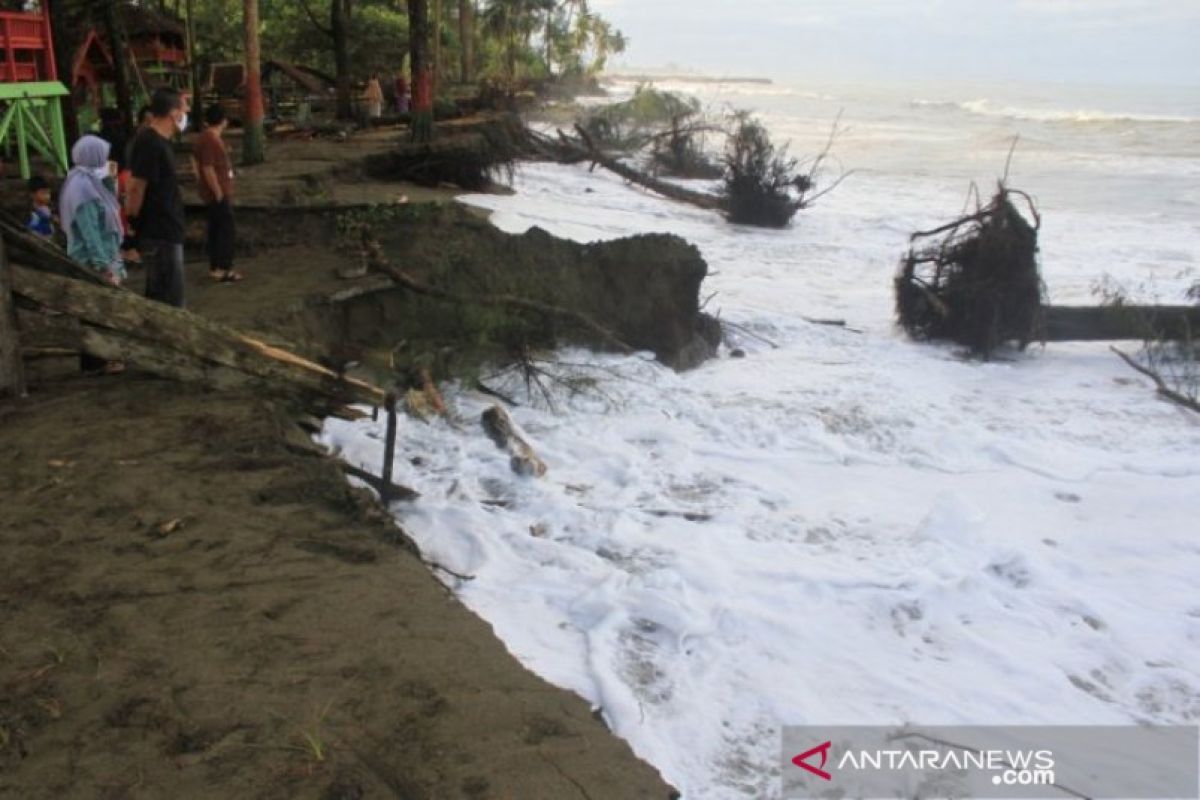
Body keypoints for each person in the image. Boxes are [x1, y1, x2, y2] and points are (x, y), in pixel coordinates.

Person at [60, 135, 125, 374]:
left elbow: (109, 204)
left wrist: (110, 179)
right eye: (102, 157)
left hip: (100, 255)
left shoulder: (86, 182)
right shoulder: (82, 189)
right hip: (91, 260)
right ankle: (95, 362)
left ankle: (99, 359)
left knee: (99, 310)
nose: (105, 161)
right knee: (95, 310)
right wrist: (103, 264)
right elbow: (90, 232)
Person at [126, 87, 189, 308]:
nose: (187, 112)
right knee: (168, 298)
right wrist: (132, 220)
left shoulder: (162, 143)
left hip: (168, 227)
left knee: (168, 292)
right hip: (158, 230)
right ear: (174, 113)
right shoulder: (149, 142)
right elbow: (136, 186)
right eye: (184, 107)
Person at [192, 104, 243, 283]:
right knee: (225, 230)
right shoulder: (210, 140)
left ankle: (216, 266)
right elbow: (207, 168)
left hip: (216, 190)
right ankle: (223, 267)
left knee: (216, 229)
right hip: (218, 193)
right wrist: (218, 191)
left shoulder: (207, 138)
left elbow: (196, 163)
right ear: (224, 121)